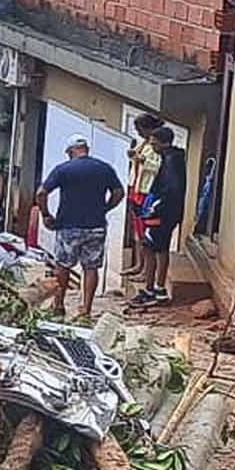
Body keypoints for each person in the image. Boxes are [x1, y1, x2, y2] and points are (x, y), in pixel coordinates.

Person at [40, 135, 125, 322]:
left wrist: (46, 214)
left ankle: (58, 305)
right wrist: (105, 208)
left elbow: (42, 192)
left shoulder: (63, 169)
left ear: (71, 151)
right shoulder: (104, 168)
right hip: (96, 226)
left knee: (63, 265)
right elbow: (119, 192)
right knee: (91, 267)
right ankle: (85, 309)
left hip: (68, 226)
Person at [131, 125, 186, 306]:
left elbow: (171, 189)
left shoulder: (171, 162)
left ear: (164, 143)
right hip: (167, 212)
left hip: (162, 213)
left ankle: (152, 290)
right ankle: (157, 288)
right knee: (159, 248)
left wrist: (155, 208)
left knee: (150, 248)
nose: (153, 147)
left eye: (155, 144)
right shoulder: (172, 158)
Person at [123, 113, 164, 288]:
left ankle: (146, 271)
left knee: (145, 233)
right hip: (137, 188)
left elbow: (159, 167)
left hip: (147, 191)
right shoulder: (144, 143)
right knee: (138, 231)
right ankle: (139, 265)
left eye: (140, 129)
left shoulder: (156, 145)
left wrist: (143, 160)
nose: (138, 133)